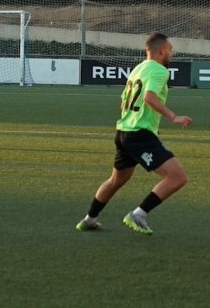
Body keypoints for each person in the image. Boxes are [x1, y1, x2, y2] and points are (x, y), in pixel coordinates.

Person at [75, 33, 192, 235]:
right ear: (162, 50)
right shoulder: (159, 71)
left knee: (116, 180)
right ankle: (138, 214)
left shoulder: (138, 69)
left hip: (123, 132)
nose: (171, 54)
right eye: (170, 50)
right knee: (177, 177)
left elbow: (124, 102)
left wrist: (146, 124)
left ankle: (89, 219)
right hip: (138, 136)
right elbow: (149, 97)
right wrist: (174, 117)